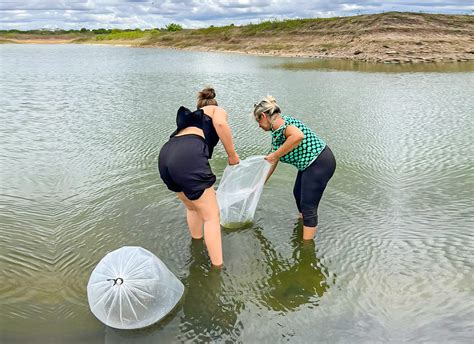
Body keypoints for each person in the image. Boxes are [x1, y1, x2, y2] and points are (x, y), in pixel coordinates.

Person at [158, 87, 239, 267]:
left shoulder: (191, 120)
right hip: (187, 156)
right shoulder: (216, 110)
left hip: (166, 155)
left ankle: (196, 243)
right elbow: (220, 124)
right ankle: (217, 268)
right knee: (211, 216)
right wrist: (232, 155)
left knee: (193, 207)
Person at [253, 95, 336, 240]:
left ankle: (306, 247)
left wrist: (275, 155)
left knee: (308, 205)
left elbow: (298, 136)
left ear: (263, 116)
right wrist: (261, 182)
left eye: (258, 121)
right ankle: (304, 226)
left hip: (319, 162)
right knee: (297, 194)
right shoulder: (276, 129)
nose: (259, 125)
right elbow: (274, 159)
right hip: (308, 164)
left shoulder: (282, 125)